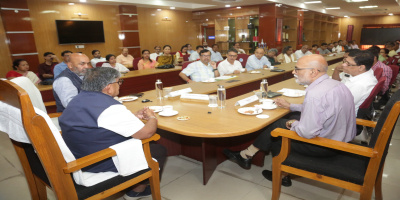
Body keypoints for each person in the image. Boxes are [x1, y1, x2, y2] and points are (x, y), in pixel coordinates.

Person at [223, 54, 356, 186]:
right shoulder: (335, 84)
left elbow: (307, 132)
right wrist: (291, 106)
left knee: (277, 129)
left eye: (297, 69)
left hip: (325, 146)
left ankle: (280, 175)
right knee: (289, 117)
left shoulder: (315, 94)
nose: (293, 72)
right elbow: (323, 109)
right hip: (342, 139)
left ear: (313, 72)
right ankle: (247, 155)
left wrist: (292, 123)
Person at [60, 67, 166, 200]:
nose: (120, 85)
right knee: (158, 149)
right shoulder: (109, 107)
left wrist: (133, 115)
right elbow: (147, 132)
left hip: (77, 154)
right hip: (96, 161)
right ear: (109, 87)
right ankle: (137, 190)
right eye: (119, 82)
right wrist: (152, 117)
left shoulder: (77, 99)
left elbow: (98, 120)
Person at [332, 50, 377, 114]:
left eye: (348, 63)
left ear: (361, 67)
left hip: (344, 115)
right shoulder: (362, 73)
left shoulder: (360, 85)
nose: (343, 65)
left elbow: (339, 105)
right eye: (345, 61)